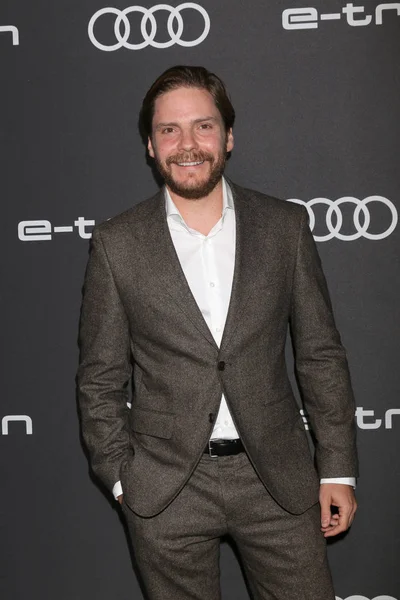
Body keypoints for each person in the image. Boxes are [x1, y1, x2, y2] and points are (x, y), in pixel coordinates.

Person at [77, 65, 358, 600]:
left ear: (228, 136)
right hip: (166, 487)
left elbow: (320, 355)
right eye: (169, 130)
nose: (187, 144)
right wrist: (123, 480)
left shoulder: (285, 228)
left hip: (277, 478)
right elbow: (99, 378)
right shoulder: (117, 244)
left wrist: (338, 468)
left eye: (203, 126)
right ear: (150, 146)